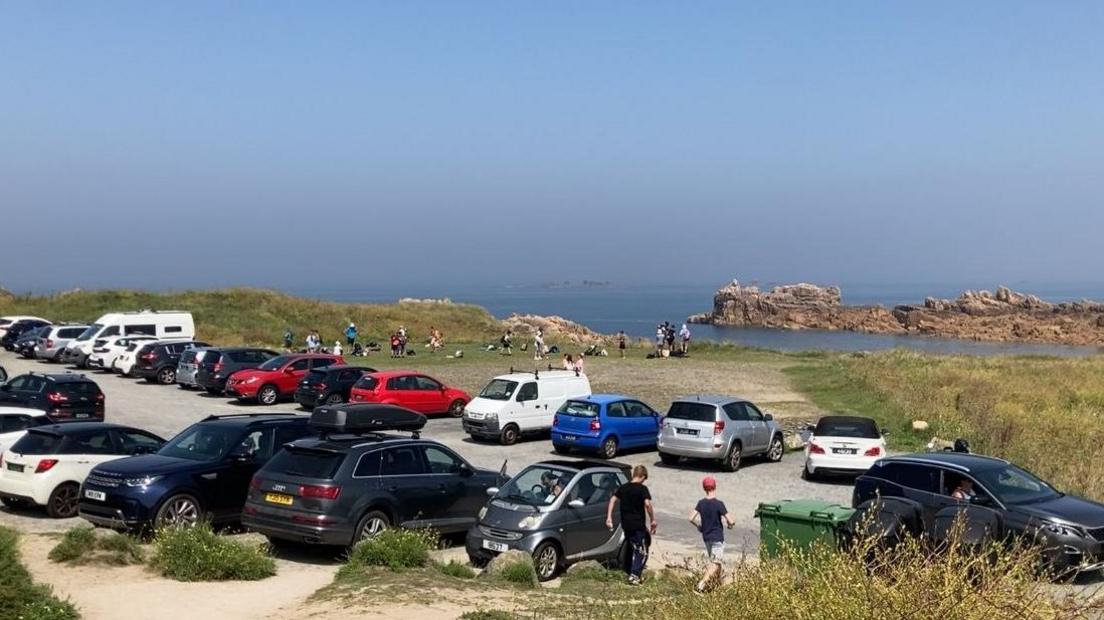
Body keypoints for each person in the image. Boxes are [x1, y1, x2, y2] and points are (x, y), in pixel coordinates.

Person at [606, 465, 656, 585]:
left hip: (626, 524)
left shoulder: (623, 488)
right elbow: (647, 504)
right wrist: (653, 519)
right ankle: (634, 576)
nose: (644, 481)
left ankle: (629, 570)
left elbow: (612, 499)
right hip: (638, 524)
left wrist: (609, 517)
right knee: (641, 550)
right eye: (644, 479)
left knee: (632, 546)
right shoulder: (642, 489)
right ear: (642, 476)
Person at [689, 476, 735, 594]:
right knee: (715, 563)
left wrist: (699, 527)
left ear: (704, 488)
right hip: (717, 538)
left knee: (716, 562)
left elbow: (691, 518)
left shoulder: (701, 503)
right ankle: (701, 585)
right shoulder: (719, 504)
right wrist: (730, 525)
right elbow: (731, 520)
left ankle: (716, 584)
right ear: (715, 487)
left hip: (706, 537)